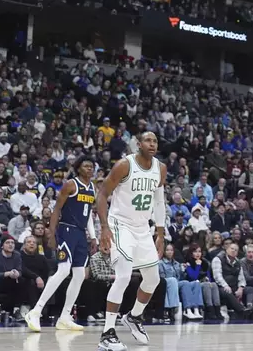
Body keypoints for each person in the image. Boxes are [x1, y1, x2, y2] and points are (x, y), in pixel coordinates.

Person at [97, 132, 166, 351]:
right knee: (124, 275)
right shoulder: (124, 165)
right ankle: (107, 334)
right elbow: (102, 194)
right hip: (120, 224)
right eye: (148, 140)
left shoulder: (160, 168)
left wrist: (161, 233)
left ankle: (134, 316)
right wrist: (104, 227)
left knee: (153, 279)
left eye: (155, 141)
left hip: (143, 228)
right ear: (138, 144)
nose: (152, 144)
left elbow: (159, 201)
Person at [25, 156, 97, 332]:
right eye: (86, 166)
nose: (89, 169)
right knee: (64, 270)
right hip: (66, 230)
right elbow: (57, 209)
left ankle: (65, 316)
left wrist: (93, 236)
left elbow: (87, 215)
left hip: (80, 233)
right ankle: (36, 311)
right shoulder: (71, 185)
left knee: (80, 275)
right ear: (79, 168)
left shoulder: (93, 188)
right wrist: (51, 233)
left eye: (91, 166)